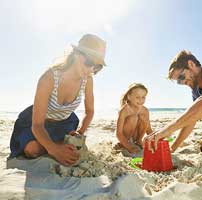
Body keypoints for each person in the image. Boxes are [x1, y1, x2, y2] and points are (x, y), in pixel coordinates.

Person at [9, 34, 107, 166]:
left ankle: (57, 142)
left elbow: (89, 111)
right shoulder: (49, 78)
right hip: (37, 123)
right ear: (77, 54)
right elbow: (37, 125)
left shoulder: (88, 80)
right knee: (32, 150)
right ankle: (56, 143)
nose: (91, 70)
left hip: (64, 123)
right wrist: (54, 150)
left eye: (97, 67)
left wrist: (80, 132)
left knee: (65, 147)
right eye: (89, 62)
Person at [115, 83, 152, 154]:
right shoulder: (124, 110)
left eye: (143, 97)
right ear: (129, 96)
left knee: (143, 117)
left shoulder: (145, 110)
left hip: (136, 136)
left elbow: (148, 129)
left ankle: (138, 141)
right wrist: (129, 147)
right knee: (133, 118)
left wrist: (156, 140)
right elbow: (119, 133)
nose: (141, 100)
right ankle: (124, 143)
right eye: (137, 97)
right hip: (125, 137)